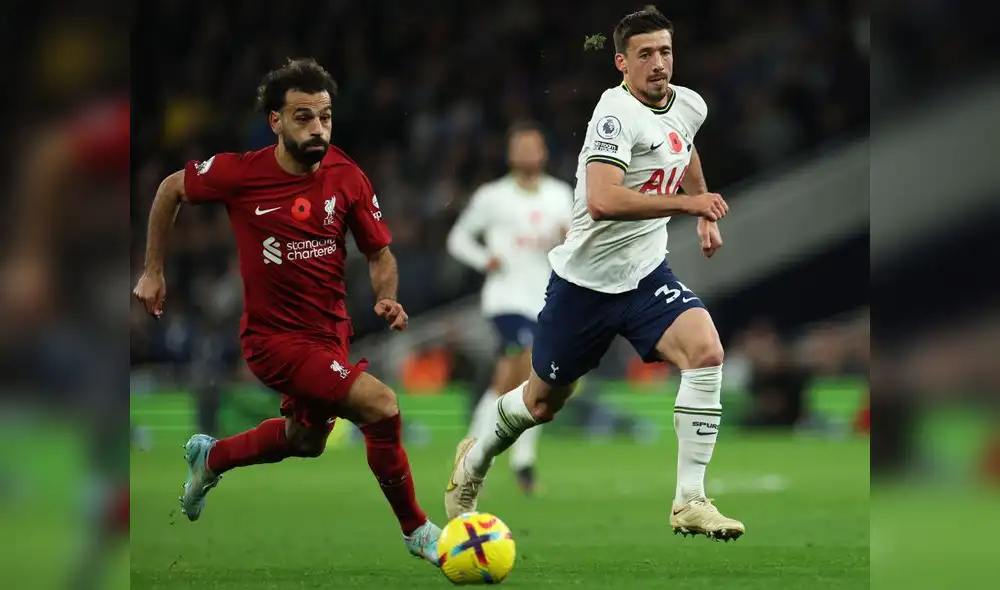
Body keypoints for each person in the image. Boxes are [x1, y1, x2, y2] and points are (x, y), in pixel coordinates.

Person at [444, 7, 745, 541]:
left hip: (646, 275)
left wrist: (701, 211)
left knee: (707, 352)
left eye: (666, 52)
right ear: (621, 63)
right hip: (584, 287)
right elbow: (604, 201)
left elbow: (684, 144)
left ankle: (690, 500)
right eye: (646, 54)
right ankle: (475, 460)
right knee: (539, 403)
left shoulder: (689, 104)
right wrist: (688, 202)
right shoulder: (613, 113)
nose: (658, 64)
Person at [132, 58, 441, 564]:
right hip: (273, 341)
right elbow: (169, 190)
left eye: (324, 116)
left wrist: (387, 295)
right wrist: (153, 271)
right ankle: (416, 529)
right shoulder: (240, 173)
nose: (317, 128)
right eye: (303, 117)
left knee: (305, 440)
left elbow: (380, 251)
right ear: (275, 120)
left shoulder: (347, 175)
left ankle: (211, 457)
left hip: (330, 336)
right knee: (382, 406)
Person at [446, 122, 573, 495]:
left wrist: (569, 241)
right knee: (526, 363)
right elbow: (458, 238)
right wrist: (485, 258)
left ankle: (515, 461)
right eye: (520, 146)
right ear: (510, 154)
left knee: (527, 380)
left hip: (544, 300)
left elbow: (573, 238)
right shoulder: (492, 196)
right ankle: (479, 454)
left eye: (533, 146)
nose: (527, 153)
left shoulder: (559, 194)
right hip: (505, 299)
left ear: (543, 153)